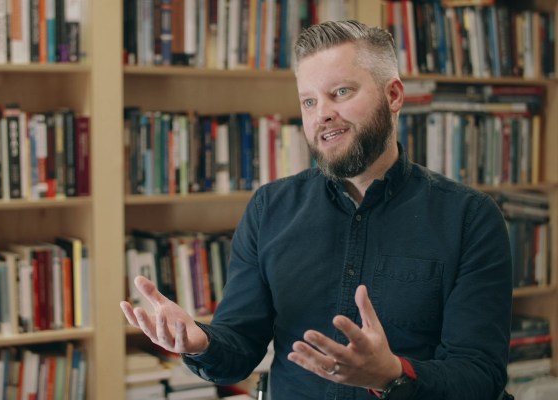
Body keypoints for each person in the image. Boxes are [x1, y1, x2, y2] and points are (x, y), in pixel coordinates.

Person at [121, 20, 512, 400]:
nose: (321, 114)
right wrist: (200, 342)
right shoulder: (269, 208)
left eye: (340, 92)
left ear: (393, 96)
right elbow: (239, 347)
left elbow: (480, 376)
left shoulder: (470, 218)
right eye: (309, 101)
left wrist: (392, 376)